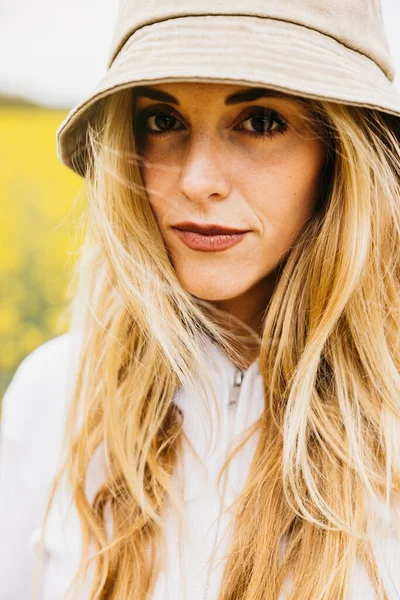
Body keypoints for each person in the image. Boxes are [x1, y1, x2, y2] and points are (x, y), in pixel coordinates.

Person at [1, 0, 400, 599]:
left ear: (342, 153)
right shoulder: (54, 396)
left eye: (261, 121)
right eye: (162, 121)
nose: (196, 180)